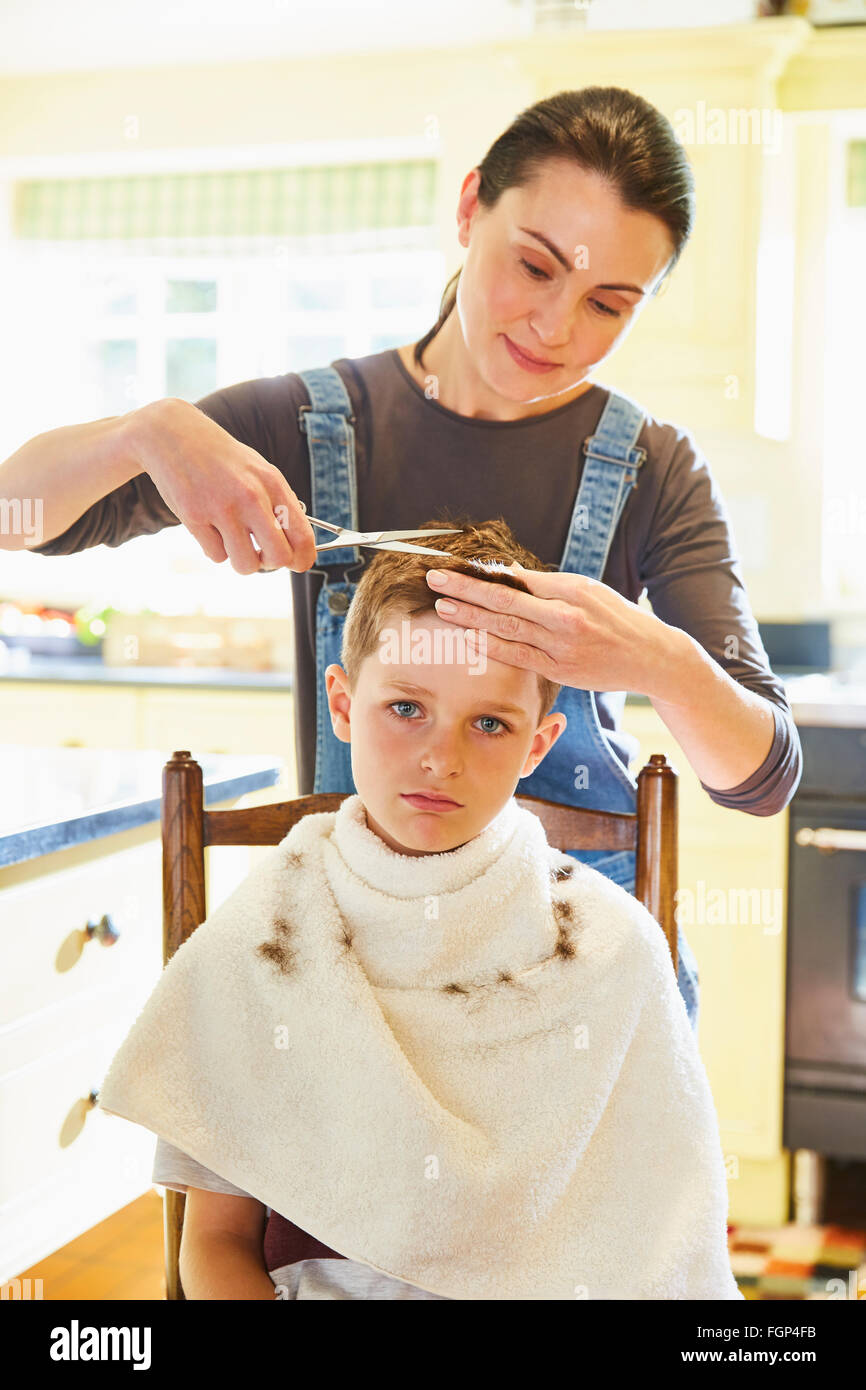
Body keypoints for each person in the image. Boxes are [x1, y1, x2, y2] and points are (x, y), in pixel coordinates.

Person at [2, 87, 801, 1025]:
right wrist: (144, 432)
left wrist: (653, 658)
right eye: (533, 267)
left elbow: (764, 777)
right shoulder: (303, 426)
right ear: (470, 209)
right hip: (350, 987)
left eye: (606, 304)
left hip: (572, 995)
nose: (555, 327)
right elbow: (18, 516)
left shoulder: (653, 471)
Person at [97, 519, 743, 1302]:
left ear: (537, 747)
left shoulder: (610, 950)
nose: (443, 757)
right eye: (407, 708)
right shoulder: (262, 941)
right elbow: (215, 1247)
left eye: (490, 723)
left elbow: (657, 1256)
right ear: (342, 703)